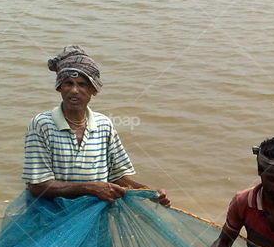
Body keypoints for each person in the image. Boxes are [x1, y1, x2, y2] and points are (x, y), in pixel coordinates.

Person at [23, 46, 170, 206]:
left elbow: (117, 177)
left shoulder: (104, 124)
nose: (74, 90)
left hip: (95, 215)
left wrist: (148, 192)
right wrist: (90, 188)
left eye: (82, 84)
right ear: (59, 87)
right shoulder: (42, 124)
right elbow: (37, 185)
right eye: (68, 83)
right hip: (51, 216)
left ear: (94, 89)